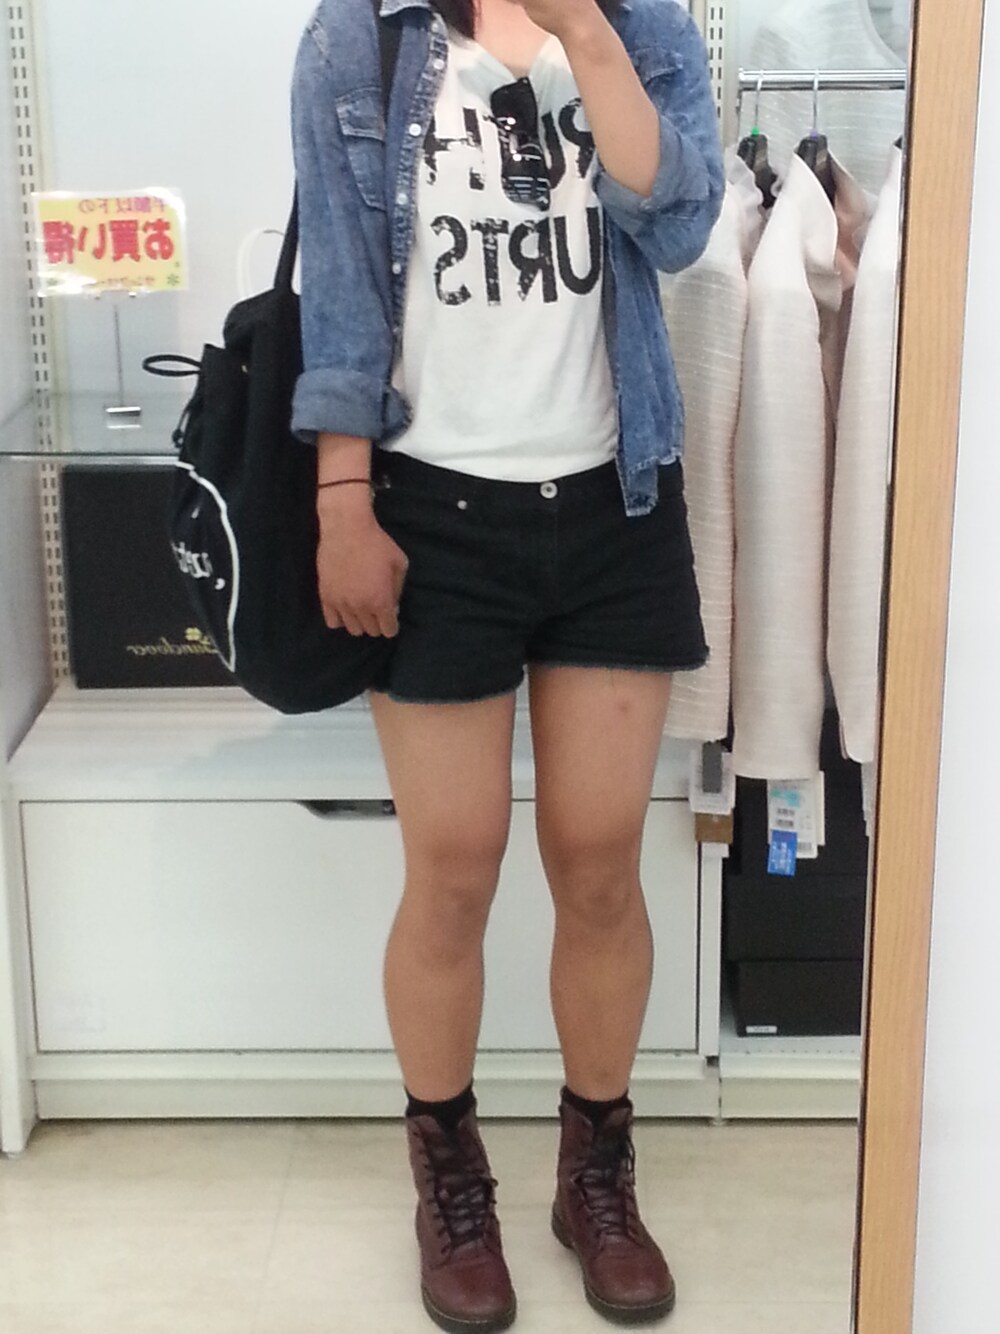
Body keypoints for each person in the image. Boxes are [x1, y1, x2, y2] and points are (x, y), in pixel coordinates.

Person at [290, 0, 724, 1327]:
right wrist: (341, 497)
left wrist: (584, 31)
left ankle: (596, 1175)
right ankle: (449, 1175)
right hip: (432, 512)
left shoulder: (645, 26)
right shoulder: (357, 39)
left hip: (613, 502)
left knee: (598, 858)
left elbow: (681, 220)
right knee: (455, 864)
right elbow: (342, 290)